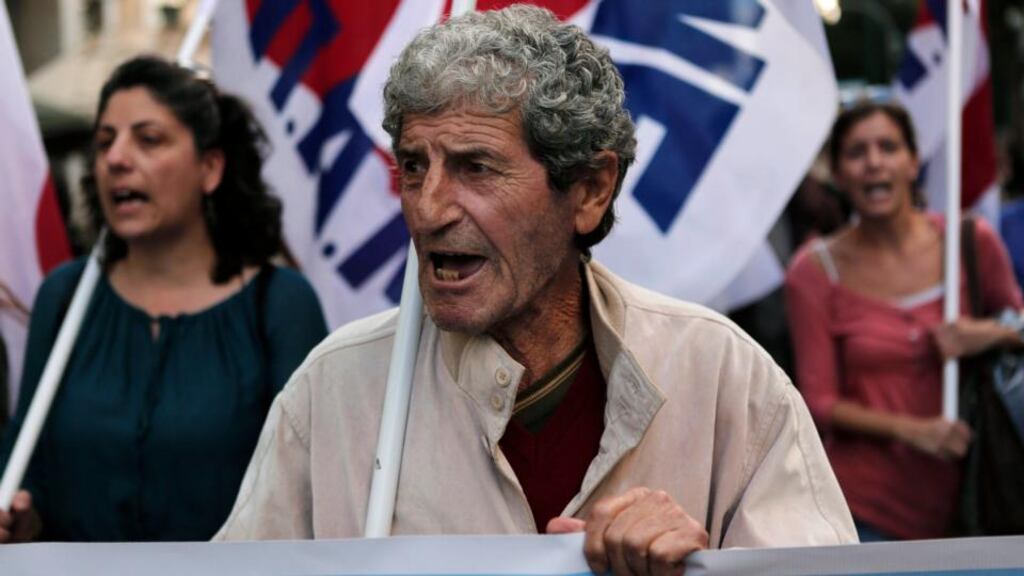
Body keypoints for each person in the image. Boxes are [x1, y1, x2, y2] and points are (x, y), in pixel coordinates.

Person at [217, 6, 856, 574]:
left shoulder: (723, 378)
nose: (427, 209)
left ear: (590, 190)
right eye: (413, 166)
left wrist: (702, 572)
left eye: (476, 167)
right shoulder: (333, 392)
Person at [0, 55, 328, 542]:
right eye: (105, 142)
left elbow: (313, 491)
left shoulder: (280, 305)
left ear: (210, 167)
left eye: (148, 139)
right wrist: (21, 515)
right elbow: (28, 466)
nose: (116, 159)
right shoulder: (64, 297)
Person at [785, 101, 1024, 542]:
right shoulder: (813, 272)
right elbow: (818, 402)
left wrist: (985, 334)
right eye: (856, 152)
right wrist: (916, 433)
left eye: (888, 147)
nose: (874, 162)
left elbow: (1020, 330)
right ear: (838, 174)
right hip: (863, 514)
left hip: (977, 505)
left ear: (914, 163)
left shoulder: (971, 242)